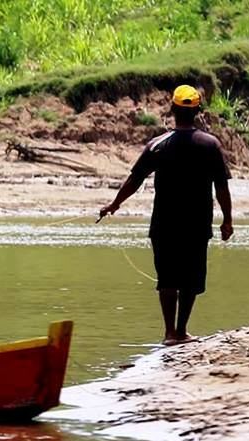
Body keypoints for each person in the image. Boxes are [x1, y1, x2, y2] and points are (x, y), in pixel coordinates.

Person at [99, 84, 234, 346]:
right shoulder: (210, 145)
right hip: (196, 224)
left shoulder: (157, 145)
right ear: (197, 111)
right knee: (191, 278)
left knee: (167, 278)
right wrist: (227, 220)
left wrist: (114, 204)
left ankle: (170, 332)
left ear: (172, 109)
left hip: (164, 224)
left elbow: (134, 180)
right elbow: (222, 187)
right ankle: (182, 330)